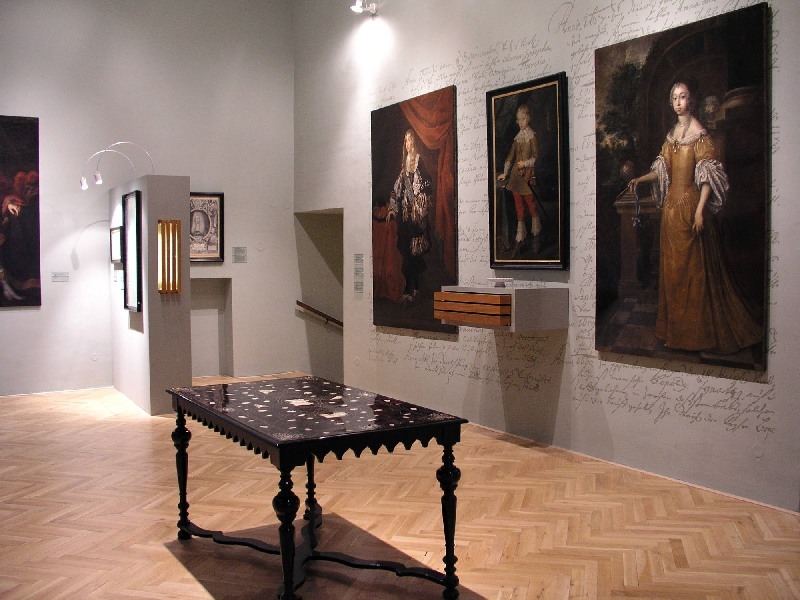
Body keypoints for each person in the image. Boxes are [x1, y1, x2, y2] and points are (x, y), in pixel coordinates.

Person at [628, 77, 761, 354]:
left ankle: (695, 335)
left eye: (683, 96)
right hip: (671, 213)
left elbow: (707, 177)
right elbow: (662, 170)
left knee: (694, 274)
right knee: (674, 273)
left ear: (691, 100)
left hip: (690, 209)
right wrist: (640, 178)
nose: (679, 102)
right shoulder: (671, 135)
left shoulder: (700, 134)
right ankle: (675, 332)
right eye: (674, 98)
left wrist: (700, 211)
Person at [387, 128, 432, 304]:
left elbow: (427, 185)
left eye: (409, 140)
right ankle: (408, 288)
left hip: (416, 217)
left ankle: (415, 288)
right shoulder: (404, 166)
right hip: (404, 217)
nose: (407, 143)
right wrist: (393, 209)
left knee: (414, 254)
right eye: (405, 140)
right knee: (405, 252)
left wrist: (419, 205)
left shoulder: (419, 161)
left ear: (414, 142)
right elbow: (397, 189)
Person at [497, 104, 540, 255]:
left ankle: (536, 232)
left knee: (531, 204)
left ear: (528, 119)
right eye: (519, 119)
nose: (521, 122)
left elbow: (535, 157)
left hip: (527, 175)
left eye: (523, 119)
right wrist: (505, 173)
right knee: (518, 205)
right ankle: (521, 234)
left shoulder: (532, 137)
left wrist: (525, 163)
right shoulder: (517, 139)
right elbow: (510, 157)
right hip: (515, 178)